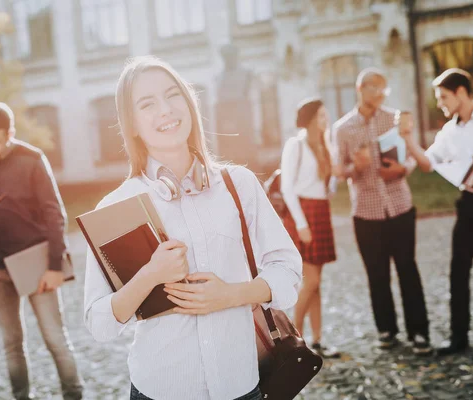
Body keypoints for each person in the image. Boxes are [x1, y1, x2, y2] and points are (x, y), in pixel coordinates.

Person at [83, 56, 302, 400]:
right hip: (161, 388)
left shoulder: (239, 185)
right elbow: (99, 323)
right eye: (147, 104)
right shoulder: (116, 206)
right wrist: (150, 275)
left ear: (190, 103)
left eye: (173, 95)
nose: (166, 109)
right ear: (133, 125)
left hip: (239, 385)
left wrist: (232, 294)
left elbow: (289, 273)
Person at [0, 102, 83, 399]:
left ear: (9, 135)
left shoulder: (32, 159)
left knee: (55, 338)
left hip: (38, 265)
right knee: (11, 344)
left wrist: (55, 266)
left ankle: (74, 395)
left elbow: (54, 213)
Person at [400, 68, 473, 354]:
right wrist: (407, 138)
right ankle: (459, 336)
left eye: (443, 97)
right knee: (458, 269)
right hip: (469, 204)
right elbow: (426, 164)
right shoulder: (449, 131)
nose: (440, 103)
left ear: (461, 92)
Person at [332, 68, 432, 355]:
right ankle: (386, 330)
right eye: (375, 88)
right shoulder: (342, 128)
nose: (380, 94)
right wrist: (356, 168)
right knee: (377, 274)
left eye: (383, 89)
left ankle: (419, 332)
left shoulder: (394, 119)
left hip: (400, 206)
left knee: (408, 270)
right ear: (360, 88)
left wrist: (405, 169)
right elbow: (339, 171)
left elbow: (413, 155)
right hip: (366, 212)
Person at [280, 98, 339, 358]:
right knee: (310, 280)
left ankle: (317, 340)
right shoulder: (296, 145)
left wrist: (334, 172)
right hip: (303, 214)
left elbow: (327, 187)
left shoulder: (323, 146)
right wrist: (302, 224)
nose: (326, 120)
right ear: (311, 119)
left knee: (317, 283)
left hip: (321, 210)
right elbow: (287, 187)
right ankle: (295, 339)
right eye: (322, 116)